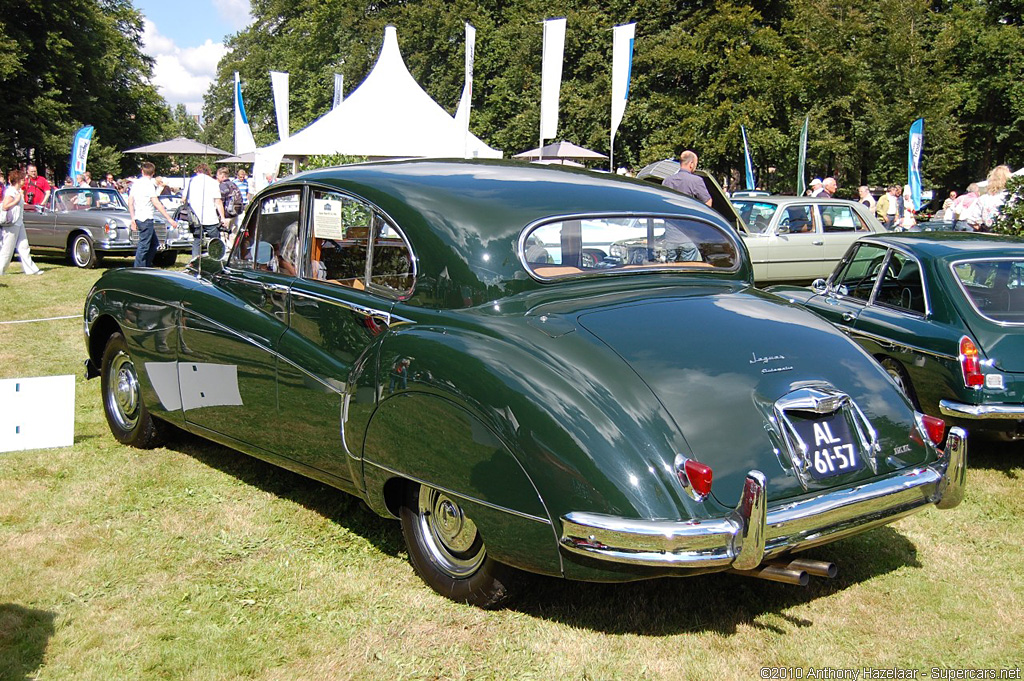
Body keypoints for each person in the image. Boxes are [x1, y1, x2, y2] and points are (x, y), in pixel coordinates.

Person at [128, 162, 177, 267]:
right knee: (144, 245)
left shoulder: (136, 184)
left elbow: (130, 201)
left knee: (154, 243)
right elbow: (156, 202)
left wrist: (133, 218)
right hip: (146, 218)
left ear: (142, 171)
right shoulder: (149, 185)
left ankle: (146, 264)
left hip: (138, 217)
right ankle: (139, 268)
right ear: (153, 173)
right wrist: (169, 218)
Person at [0, 169, 43, 275]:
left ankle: (31, 270)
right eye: (23, 179)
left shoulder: (18, 191)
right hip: (11, 223)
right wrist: (16, 200)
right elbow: (5, 206)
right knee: (7, 249)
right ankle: (1, 269)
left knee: (24, 247)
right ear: (18, 180)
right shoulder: (11, 192)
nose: (25, 181)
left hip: (19, 222)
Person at [184, 164, 230, 257]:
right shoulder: (212, 182)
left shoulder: (191, 181)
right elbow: (218, 201)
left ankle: (195, 261)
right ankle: (216, 258)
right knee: (215, 241)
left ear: (198, 171)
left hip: (195, 217)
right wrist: (223, 217)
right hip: (210, 217)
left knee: (197, 240)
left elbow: (183, 198)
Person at [964, 165, 1012, 232]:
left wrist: (982, 230)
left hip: (988, 236)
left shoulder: (984, 198)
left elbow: (971, 220)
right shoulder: (1012, 197)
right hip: (1008, 235)